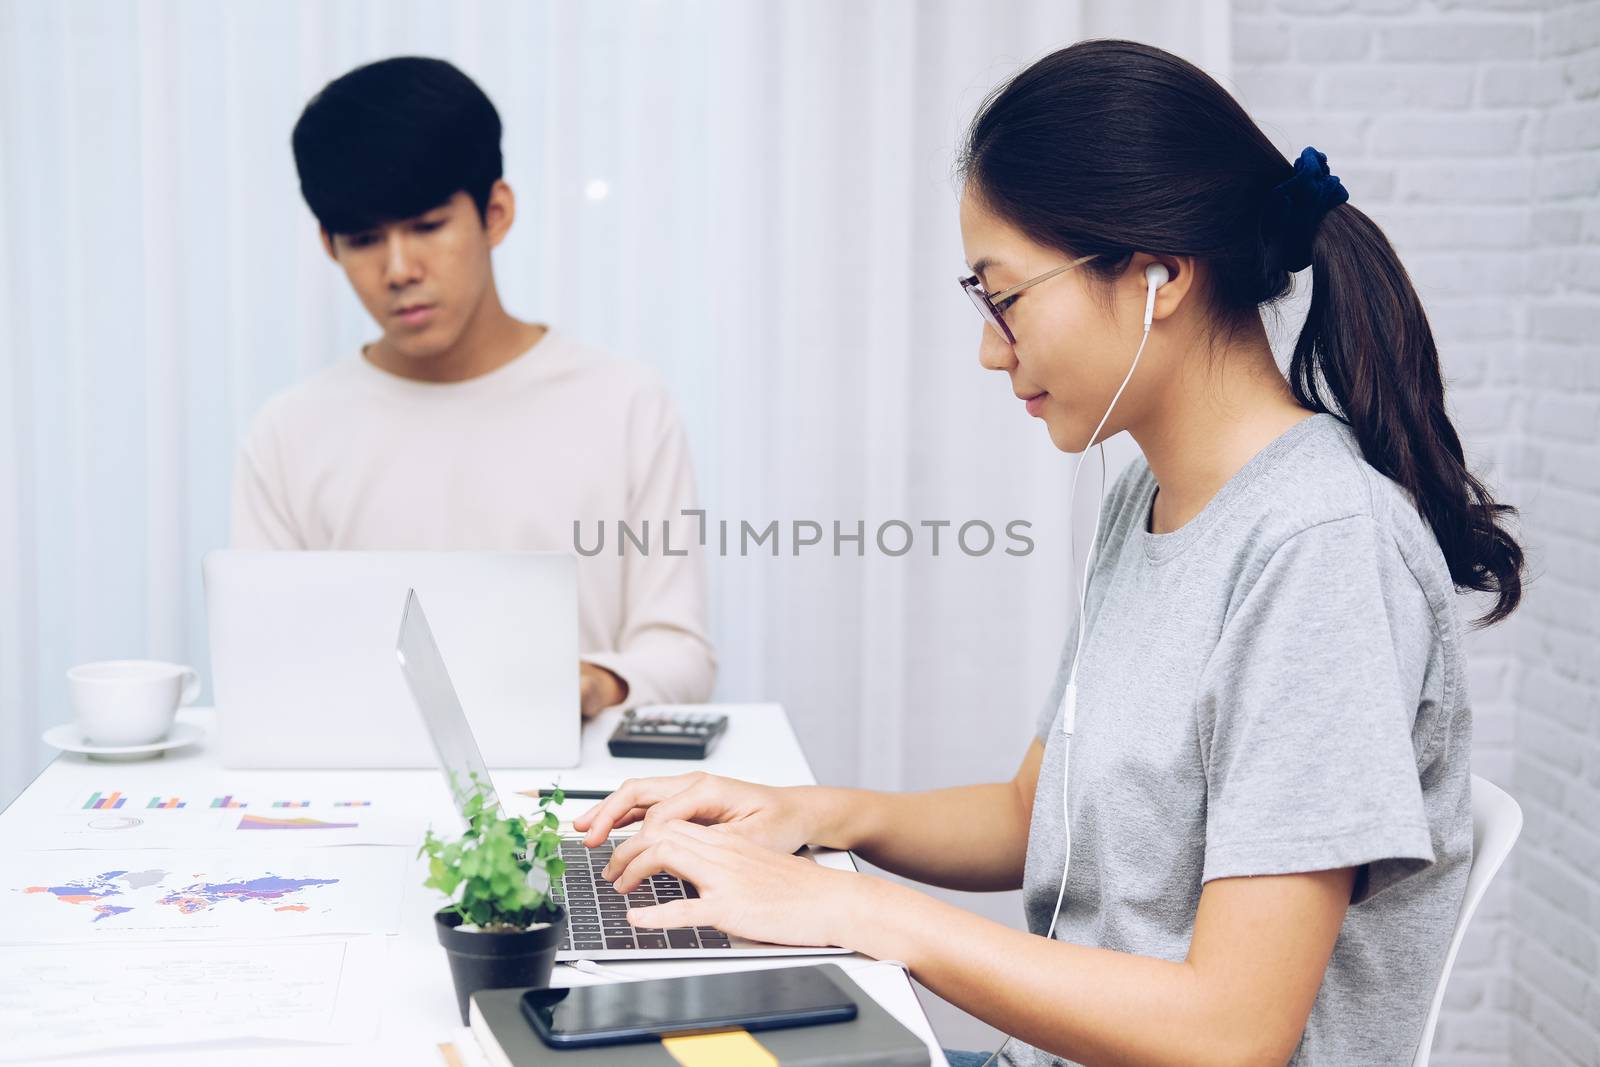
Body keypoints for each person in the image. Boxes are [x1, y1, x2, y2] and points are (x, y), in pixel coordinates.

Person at [571, 39, 1524, 1067]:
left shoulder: (1321, 550)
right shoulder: (1150, 498)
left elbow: (1232, 1030)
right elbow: (1037, 815)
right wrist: (805, 815)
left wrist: (853, 910)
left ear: (1157, 273)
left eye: (1004, 295)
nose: (989, 345)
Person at [231, 57, 716, 718]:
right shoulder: (289, 431)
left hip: (577, 798)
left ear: (496, 213)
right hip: (356, 798)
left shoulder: (625, 402)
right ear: (327, 244)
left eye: (428, 226)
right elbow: (267, 661)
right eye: (364, 238)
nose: (399, 269)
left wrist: (598, 682)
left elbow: (680, 651)